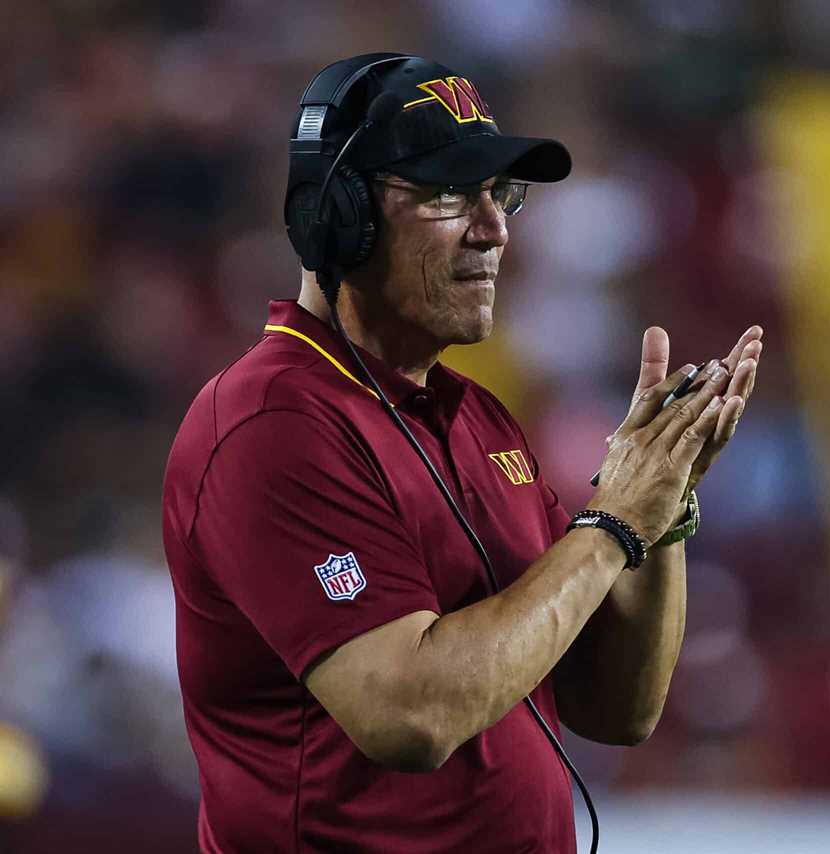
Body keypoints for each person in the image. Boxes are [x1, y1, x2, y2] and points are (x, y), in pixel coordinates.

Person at [162, 53, 762, 853]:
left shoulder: (480, 419)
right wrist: (615, 521)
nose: (495, 228)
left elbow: (618, 708)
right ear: (341, 214)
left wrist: (662, 503)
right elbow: (409, 715)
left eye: (500, 194)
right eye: (450, 193)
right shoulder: (271, 422)